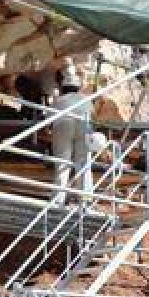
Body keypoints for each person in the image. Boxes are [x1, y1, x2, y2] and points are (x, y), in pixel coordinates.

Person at [50, 63, 90, 205]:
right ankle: (84, 200)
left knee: (62, 163)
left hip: (63, 125)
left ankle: (58, 200)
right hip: (83, 127)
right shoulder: (86, 100)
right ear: (77, 88)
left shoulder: (59, 100)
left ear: (64, 87)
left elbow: (50, 118)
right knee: (82, 163)